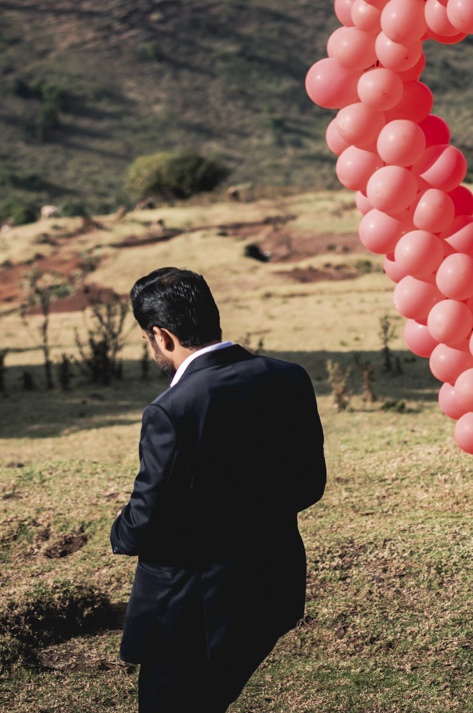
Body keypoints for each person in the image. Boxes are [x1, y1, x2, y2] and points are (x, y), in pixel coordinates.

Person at [111, 267, 326, 711]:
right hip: (271, 588)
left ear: (161, 336)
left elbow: (143, 521)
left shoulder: (171, 410)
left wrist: (119, 532)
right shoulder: (289, 377)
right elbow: (309, 484)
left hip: (192, 613)